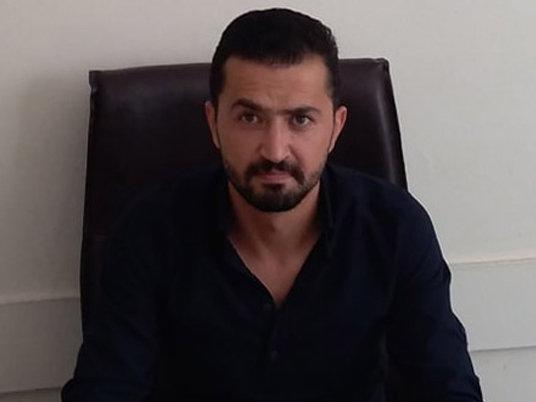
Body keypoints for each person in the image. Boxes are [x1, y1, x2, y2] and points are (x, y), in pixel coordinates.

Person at [62, 8, 483, 402]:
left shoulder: (395, 227)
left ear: (336, 127)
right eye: (250, 118)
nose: (275, 150)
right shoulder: (150, 231)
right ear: (213, 123)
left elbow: (446, 386)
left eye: (301, 119)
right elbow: (105, 389)